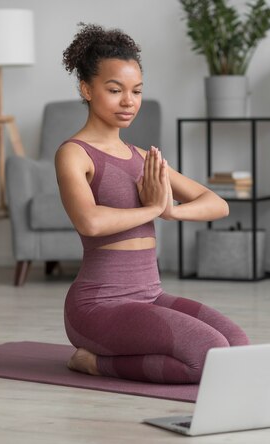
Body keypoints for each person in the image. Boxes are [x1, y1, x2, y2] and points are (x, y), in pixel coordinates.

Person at [55, 23, 249, 384]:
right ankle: (92, 362)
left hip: (150, 295)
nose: (129, 101)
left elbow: (217, 203)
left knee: (238, 346)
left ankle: (116, 355)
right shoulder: (74, 154)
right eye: (115, 90)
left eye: (136, 91)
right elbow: (90, 222)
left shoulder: (142, 157)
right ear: (86, 89)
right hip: (97, 307)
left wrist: (172, 210)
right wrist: (153, 209)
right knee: (208, 356)